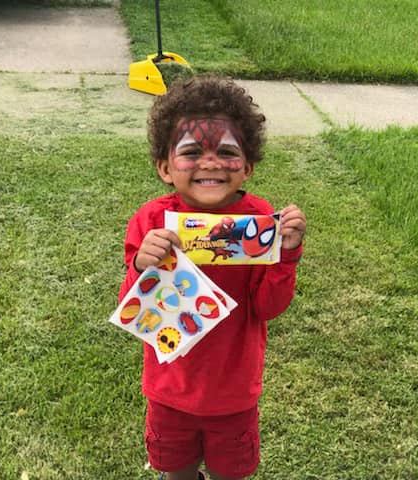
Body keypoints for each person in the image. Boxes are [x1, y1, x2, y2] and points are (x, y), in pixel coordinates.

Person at [118, 76, 306, 480]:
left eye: (227, 152)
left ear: (247, 166)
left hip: (234, 394)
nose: (210, 163)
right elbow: (135, 312)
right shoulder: (151, 222)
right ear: (165, 168)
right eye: (191, 152)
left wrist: (286, 255)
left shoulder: (259, 222)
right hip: (169, 391)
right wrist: (141, 267)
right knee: (176, 472)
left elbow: (267, 308)